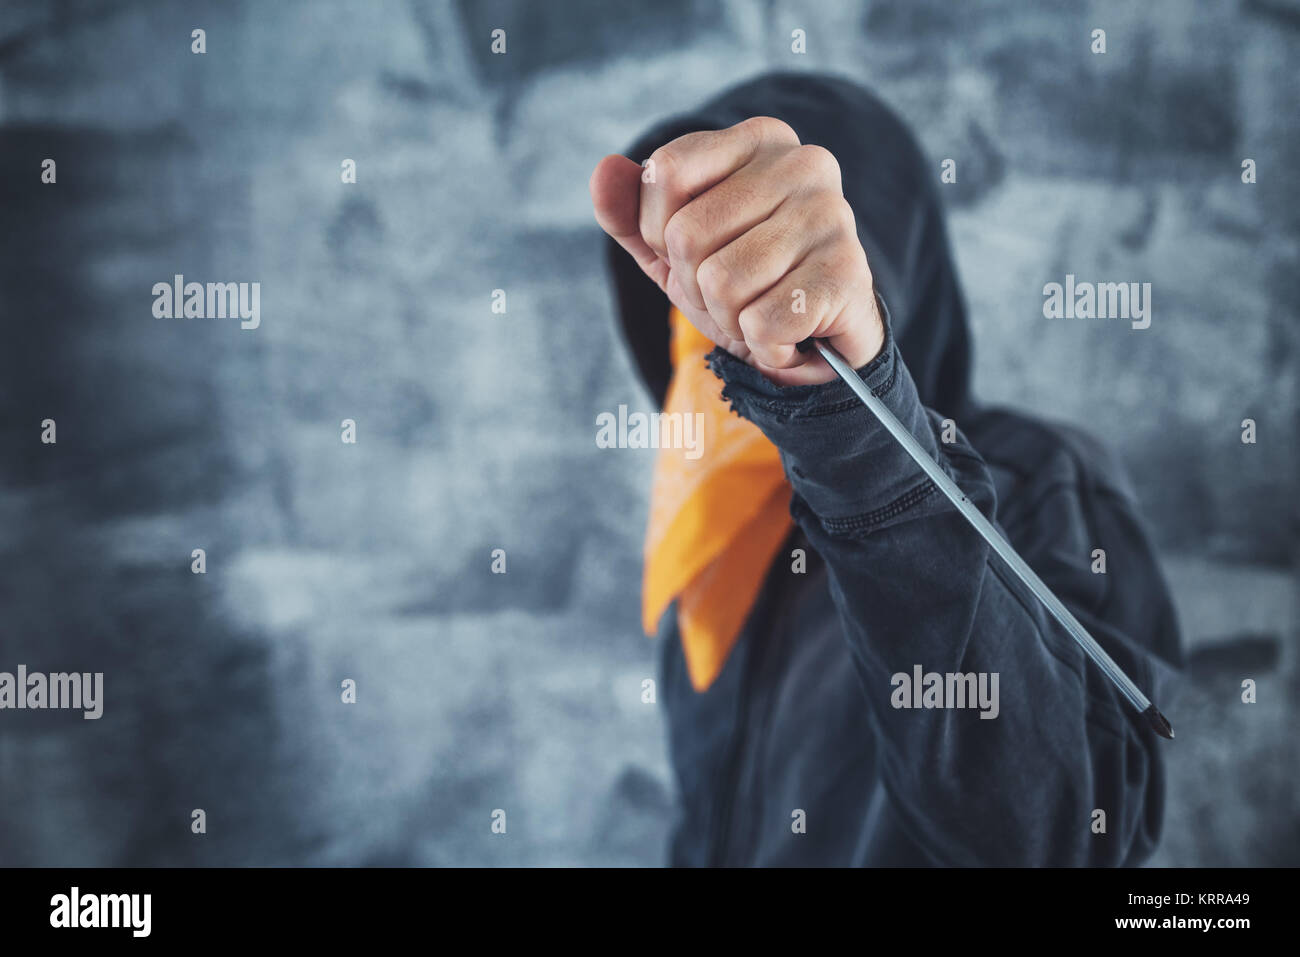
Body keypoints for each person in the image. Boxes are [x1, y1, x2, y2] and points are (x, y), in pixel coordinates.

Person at [589, 72, 1183, 866]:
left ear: (879, 263)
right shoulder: (710, 552)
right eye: (694, 298)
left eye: (759, 276)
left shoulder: (1041, 479)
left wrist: (849, 421)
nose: (719, 334)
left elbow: (1058, 836)